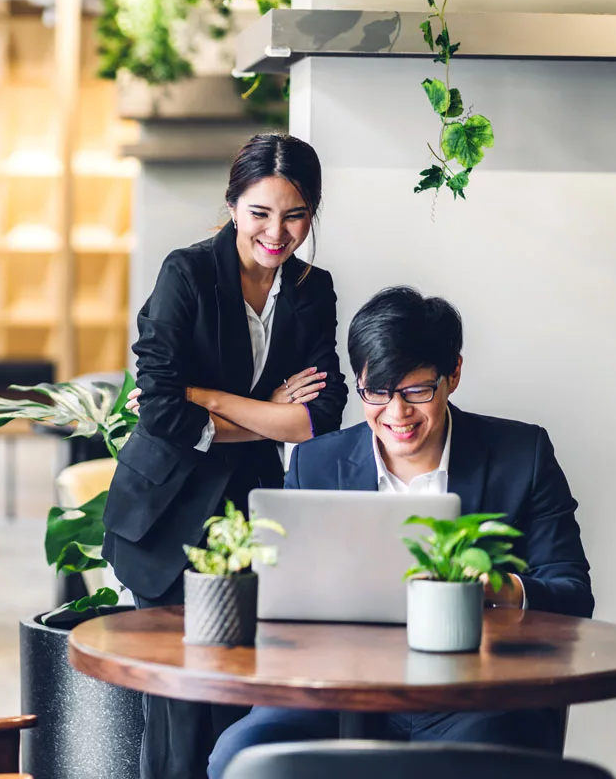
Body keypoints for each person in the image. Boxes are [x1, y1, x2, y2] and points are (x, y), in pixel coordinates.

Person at [206, 286, 594, 779]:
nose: (397, 414)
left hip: (476, 698)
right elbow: (280, 595)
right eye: (378, 393)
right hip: (332, 694)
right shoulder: (316, 461)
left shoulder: (523, 454)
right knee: (237, 756)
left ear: (453, 373)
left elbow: (573, 593)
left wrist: (497, 589)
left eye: (416, 392)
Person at [106, 134, 349, 779]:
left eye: (295, 215)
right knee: (180, 704)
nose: (277, 232)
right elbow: (159, 409)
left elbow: (317, 418)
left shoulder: (312, 289)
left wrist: (214, 399)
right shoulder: (186, 273)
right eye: (261, 213)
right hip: (166, 516)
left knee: (240, 699)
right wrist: (266, 410)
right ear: (234, 205)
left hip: (249, 520)